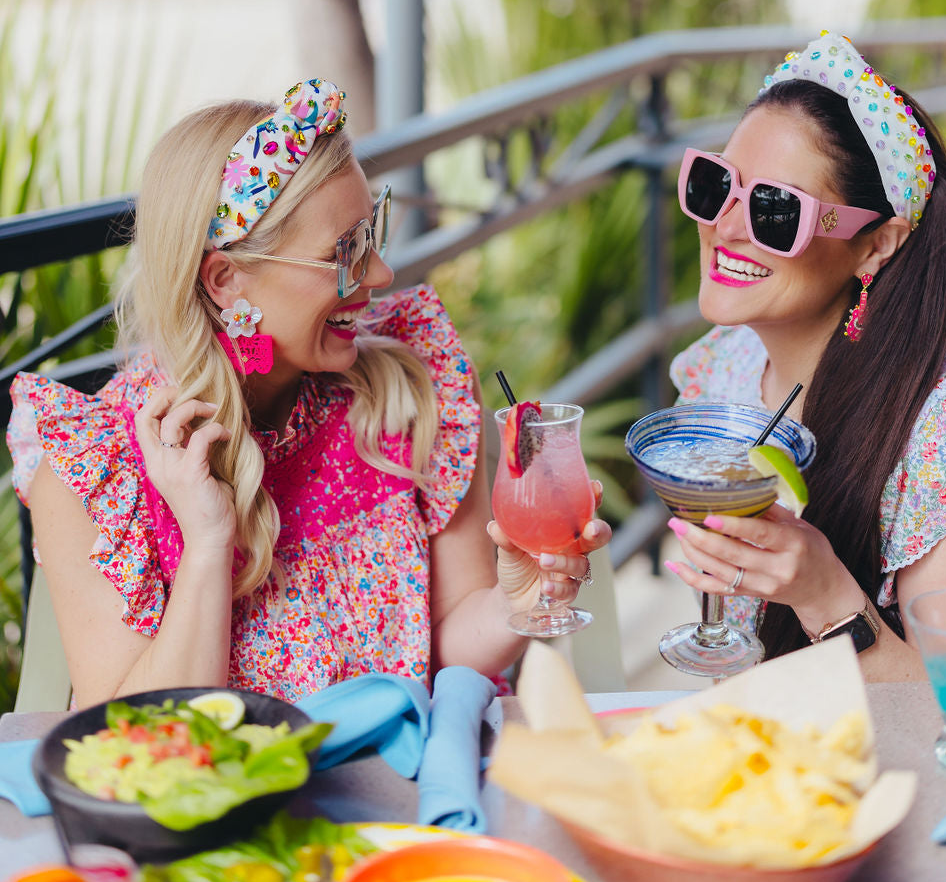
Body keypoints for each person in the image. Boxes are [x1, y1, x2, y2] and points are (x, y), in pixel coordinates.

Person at [8, 78, 610, 706]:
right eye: (345, 252)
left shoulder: (403, 384)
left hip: (408, 790)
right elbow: (142, 736)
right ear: (225, 280)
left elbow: (447, 644)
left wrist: (517, 601)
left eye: (370, 231)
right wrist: (209, 544)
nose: (380, 274)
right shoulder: (98, 471)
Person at [667, 30, 946, 678]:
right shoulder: (720, 372)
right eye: (715, 185)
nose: (726, 225)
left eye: (775, 210)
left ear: (875, 245)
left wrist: (824, 594)